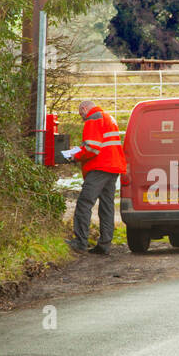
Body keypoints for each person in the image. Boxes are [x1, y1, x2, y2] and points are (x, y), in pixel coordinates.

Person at [66, 100, 127, 255]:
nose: (82, 118)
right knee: (107, 206)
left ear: (85, 109)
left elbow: (92, 148)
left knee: (84, 203)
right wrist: (79, 149)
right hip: (113, 167)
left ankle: (80, 242)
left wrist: (75, 156)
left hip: (100, 167)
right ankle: (105, 244)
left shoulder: (93, 118)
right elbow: (101, 143)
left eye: (81, 114)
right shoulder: (107, 117)